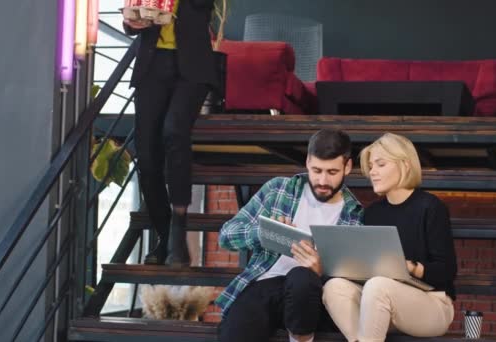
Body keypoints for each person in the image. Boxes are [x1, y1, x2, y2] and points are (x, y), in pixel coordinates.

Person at [216, 129, 364, 342]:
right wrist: (263, 232)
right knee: (236, 330)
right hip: (265, 286)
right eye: (316, 170)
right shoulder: (278, 189)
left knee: (302, 276)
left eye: (331, 172)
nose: (322, 180)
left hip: (312, 298)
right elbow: (226, 236)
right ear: (307, 162)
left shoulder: (353, 214)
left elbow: (352, 281)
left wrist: (323, 270)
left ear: (347, 167)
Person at [322, 133, 457, 341]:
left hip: (432, 304)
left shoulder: (431, 207)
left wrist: (409, 267)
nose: (372, 172)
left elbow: (446, 271)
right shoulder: (373, 213)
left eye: (380, 164)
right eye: (371, 166)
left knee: (378, 285)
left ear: (405, 165)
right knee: (334, 287)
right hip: (380, 304)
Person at [123, 0, 218, 266]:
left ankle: (178, 229)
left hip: (192, 68)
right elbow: (133, 18)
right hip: (152, 66)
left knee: (174, 131)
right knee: (147, 156)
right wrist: (131, 23)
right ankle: (165, 237)